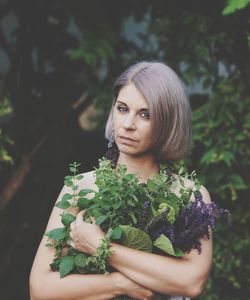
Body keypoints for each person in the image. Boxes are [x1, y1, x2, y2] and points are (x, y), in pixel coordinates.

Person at [29, 61, 212, 300]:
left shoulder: (188, 194)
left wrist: (99, 245)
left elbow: (192, 282)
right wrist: (119, 283)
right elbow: (40, 289)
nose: (127, 125)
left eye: (144, 114)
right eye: (122, 108)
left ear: (168, 122)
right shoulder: (80, 188)